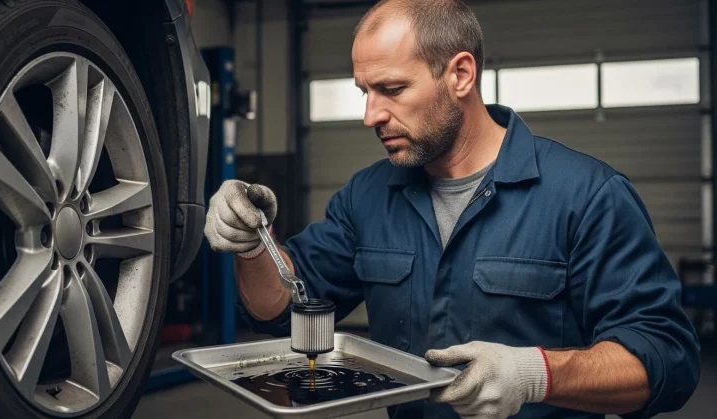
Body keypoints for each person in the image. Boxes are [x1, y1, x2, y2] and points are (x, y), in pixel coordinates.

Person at [203, 0, 701, 418]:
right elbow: (282, 308)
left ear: (460, 74)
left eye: (392, 90)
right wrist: (250, 246)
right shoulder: (367, 197)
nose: (370, 115)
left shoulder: (587, 195)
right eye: (365, 92)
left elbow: (666, 358)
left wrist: (537, 375)